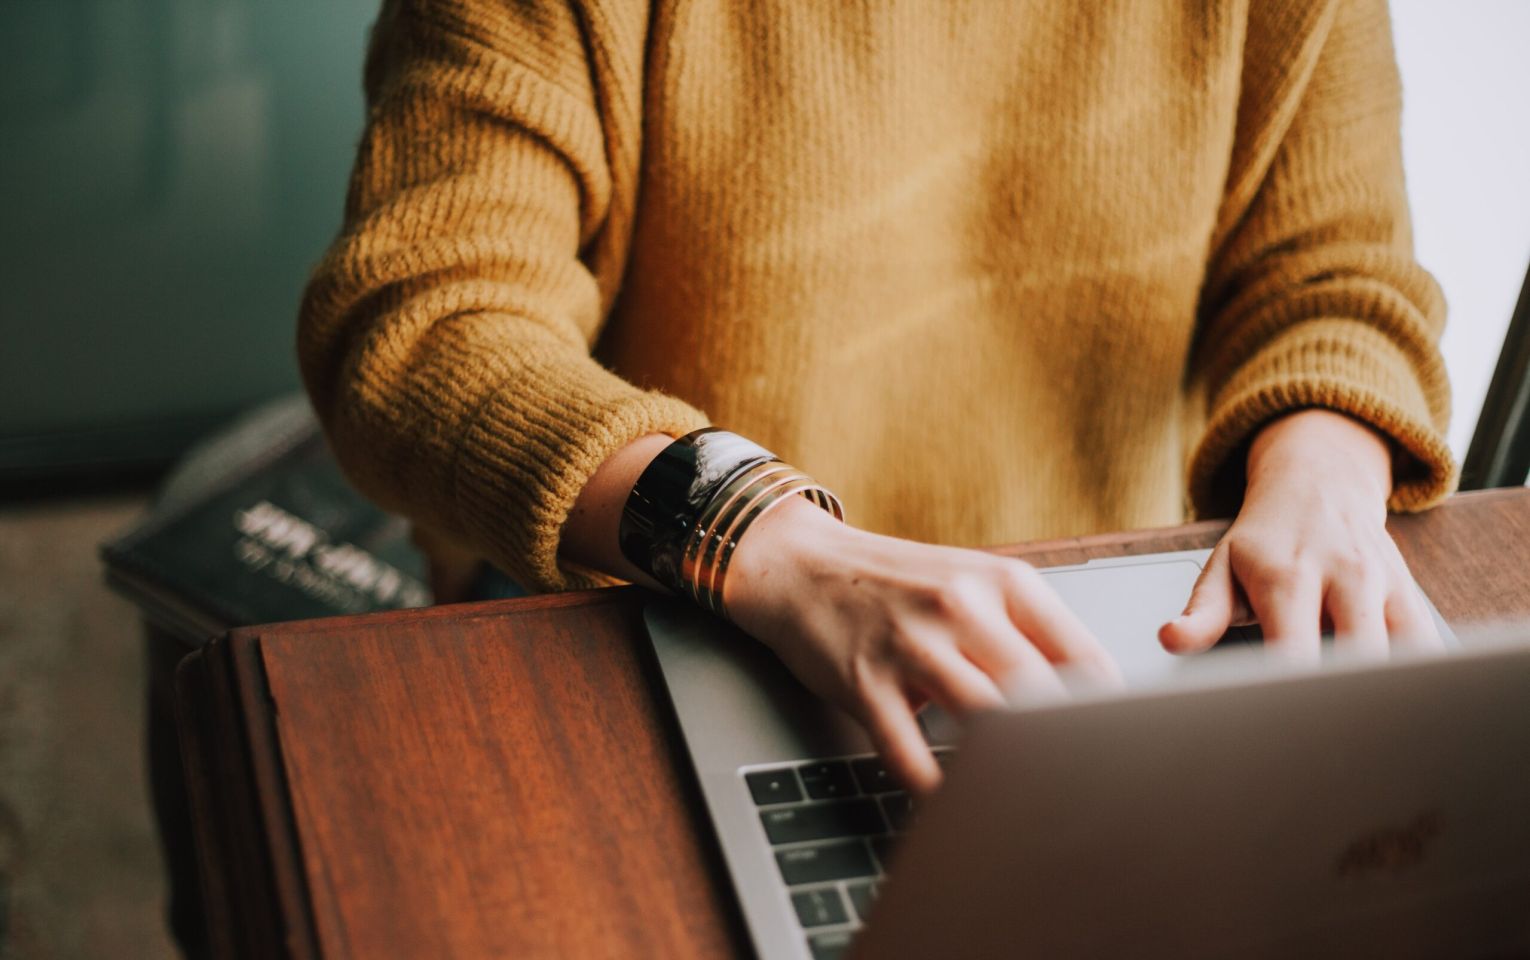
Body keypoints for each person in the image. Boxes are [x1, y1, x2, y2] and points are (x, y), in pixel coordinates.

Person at [298, 0, 1455, 793]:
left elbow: (1337, 279)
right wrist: (764, 541)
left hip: (1099, 641)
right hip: (665, 606)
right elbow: (423, 321)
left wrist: (1324, 470)